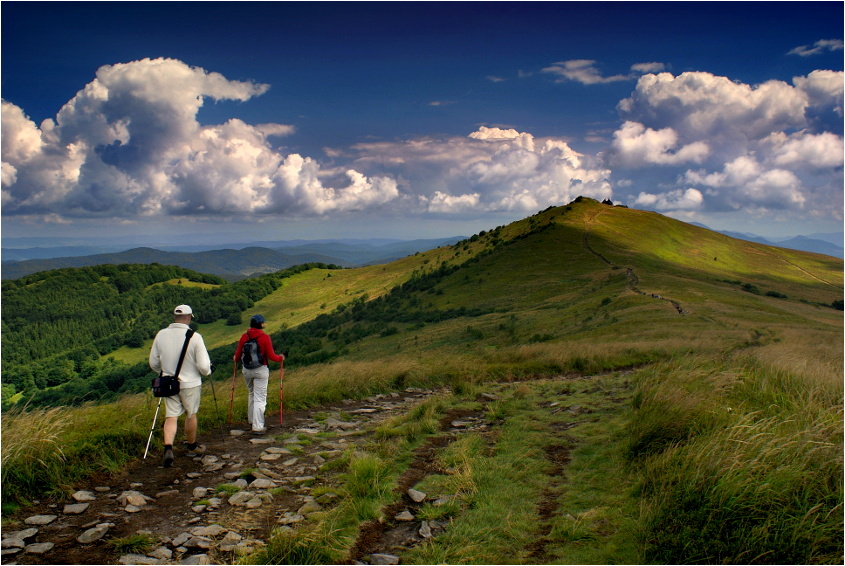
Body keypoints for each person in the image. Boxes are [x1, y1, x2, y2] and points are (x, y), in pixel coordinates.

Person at [149, 304, 212, 468]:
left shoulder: (161, 335)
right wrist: (206, 372)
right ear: (189, 317)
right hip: (190, 383)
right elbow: (204, 367)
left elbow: (153, 363)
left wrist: (165, 372)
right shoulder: (195, 337)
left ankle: (168, 448)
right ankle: (192, 446)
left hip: (169, 383)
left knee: (171, 416)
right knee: (191, 414)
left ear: (174, 317)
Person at [233, 314, 284, 434]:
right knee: (260, 398)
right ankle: (257, 426)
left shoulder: (244, 337)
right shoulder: (264, 337)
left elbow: (237, 357)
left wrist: (235, 358)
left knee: (251, 394)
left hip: (247, 370)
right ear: (260, 324)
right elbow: (272, 356)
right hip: (260, 369)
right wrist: (281, 358)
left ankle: (251, 420)